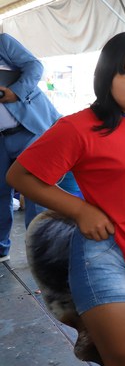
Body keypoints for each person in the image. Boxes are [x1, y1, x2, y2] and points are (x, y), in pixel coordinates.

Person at [7, 31, 125, 366]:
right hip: (109, 257)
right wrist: (80, 210)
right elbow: (20, 176)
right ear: (106, 76)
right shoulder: (80, 127)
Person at [0, 33, 62, 258]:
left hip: (30, 130)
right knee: (0, 194)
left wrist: (16, 92)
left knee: (36, 192)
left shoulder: (2, 42)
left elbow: (35, 66)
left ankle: (40, 253)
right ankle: (1, 250)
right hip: (1, 139)